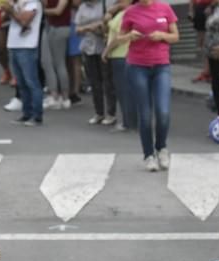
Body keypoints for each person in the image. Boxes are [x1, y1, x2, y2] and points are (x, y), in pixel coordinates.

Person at [119, 0, 178, 172]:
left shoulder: (165, 7)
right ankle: (148, 155)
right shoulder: (130, 12)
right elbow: (119, 38)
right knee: (145, 114)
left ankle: (161, 147)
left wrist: (162, 36)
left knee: (163, 112)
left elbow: (176, 36)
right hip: (137, 67)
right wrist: (129, 36)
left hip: (161, 66)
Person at [1, 0, 43, 126]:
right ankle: (27, 113)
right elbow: (4, 18)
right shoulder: (19, 3)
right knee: (21, 83)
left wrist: (11, 10)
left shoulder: (33, 3)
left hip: (27, 46)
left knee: (31, 82)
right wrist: (9, 10)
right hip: (14, 44)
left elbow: (24, 21)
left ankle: (37, 115)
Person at [75, 0, 112, 125]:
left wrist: (98, 27)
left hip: (103, 48)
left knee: (107, 82)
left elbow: (109, 24)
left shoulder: (106, 4)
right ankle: (99, 112)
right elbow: (77, 29)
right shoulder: (83, 7)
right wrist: (89, 27)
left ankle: (111, 113)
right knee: (94, 82)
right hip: (88, 47)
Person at [102, 0, 137, 132]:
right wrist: (110, 13)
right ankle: (129, 120)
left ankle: (128, 122)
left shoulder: (127, 13)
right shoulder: (121, 13)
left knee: (124, 91)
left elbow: (118, 37)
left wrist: (106, 51)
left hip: (121, 54)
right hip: (119, 55)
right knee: (124, 90)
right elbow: (107, 28)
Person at [41, 0, 72, 109]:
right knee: (47, 62)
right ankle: (55, 95)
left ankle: (64, 97)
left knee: (59, 63)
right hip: (50, 25)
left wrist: (42, 11)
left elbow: (58, 11)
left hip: (60, 27)